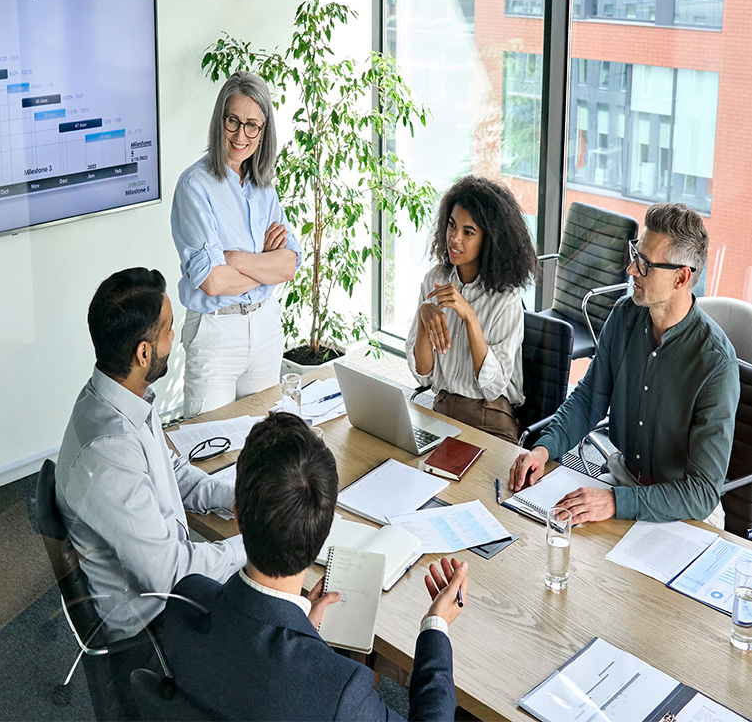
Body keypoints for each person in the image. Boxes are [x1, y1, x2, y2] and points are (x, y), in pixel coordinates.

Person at [164, 412, 468, 721]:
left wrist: (300, 627)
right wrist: (436, 626)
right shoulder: (339, 691)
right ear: (324, 534)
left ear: (237, 516)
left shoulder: (183, 602)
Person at [509, 202, 740, 526]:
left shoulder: (715, 365)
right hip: (620, 480)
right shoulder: (623, 315)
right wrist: (544, 449)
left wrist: (616, 502)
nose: (631, 269)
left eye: (645, 263)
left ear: (681, 278)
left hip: (682, 511)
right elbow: (589, 398)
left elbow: (701, 493)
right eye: (635, 254)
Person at [55, 267, 245, 645]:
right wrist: (256, 542)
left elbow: (171, 471)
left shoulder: (117, 397)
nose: (174, 338)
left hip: (169, 584)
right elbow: (171, 575)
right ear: (144, 353)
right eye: (168, 330)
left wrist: (238, 497)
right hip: (154, 629)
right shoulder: (108, 452)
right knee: (284, 608)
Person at [171, 71, 301, 418]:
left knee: (266, 450)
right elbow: (212, 281)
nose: (241, 135)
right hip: (216, 332)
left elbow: (289, 265)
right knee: (210, 450)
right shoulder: (194, 186)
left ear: (263, 132)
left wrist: (235, 258)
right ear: (220, 121)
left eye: (252, 125)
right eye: (234, 121)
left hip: (265, 328)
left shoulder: (264, 187)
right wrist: (264, 262)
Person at [406, 176, 538, 443]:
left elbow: (493, 387)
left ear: (489, 240)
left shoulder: (506, 298)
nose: (455, 239)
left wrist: (469, 316)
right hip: (441, 409)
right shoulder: (435, 279)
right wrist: (423, 316)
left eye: (468, 232)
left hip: (489, 419)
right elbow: (423, 374)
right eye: (452, 225)